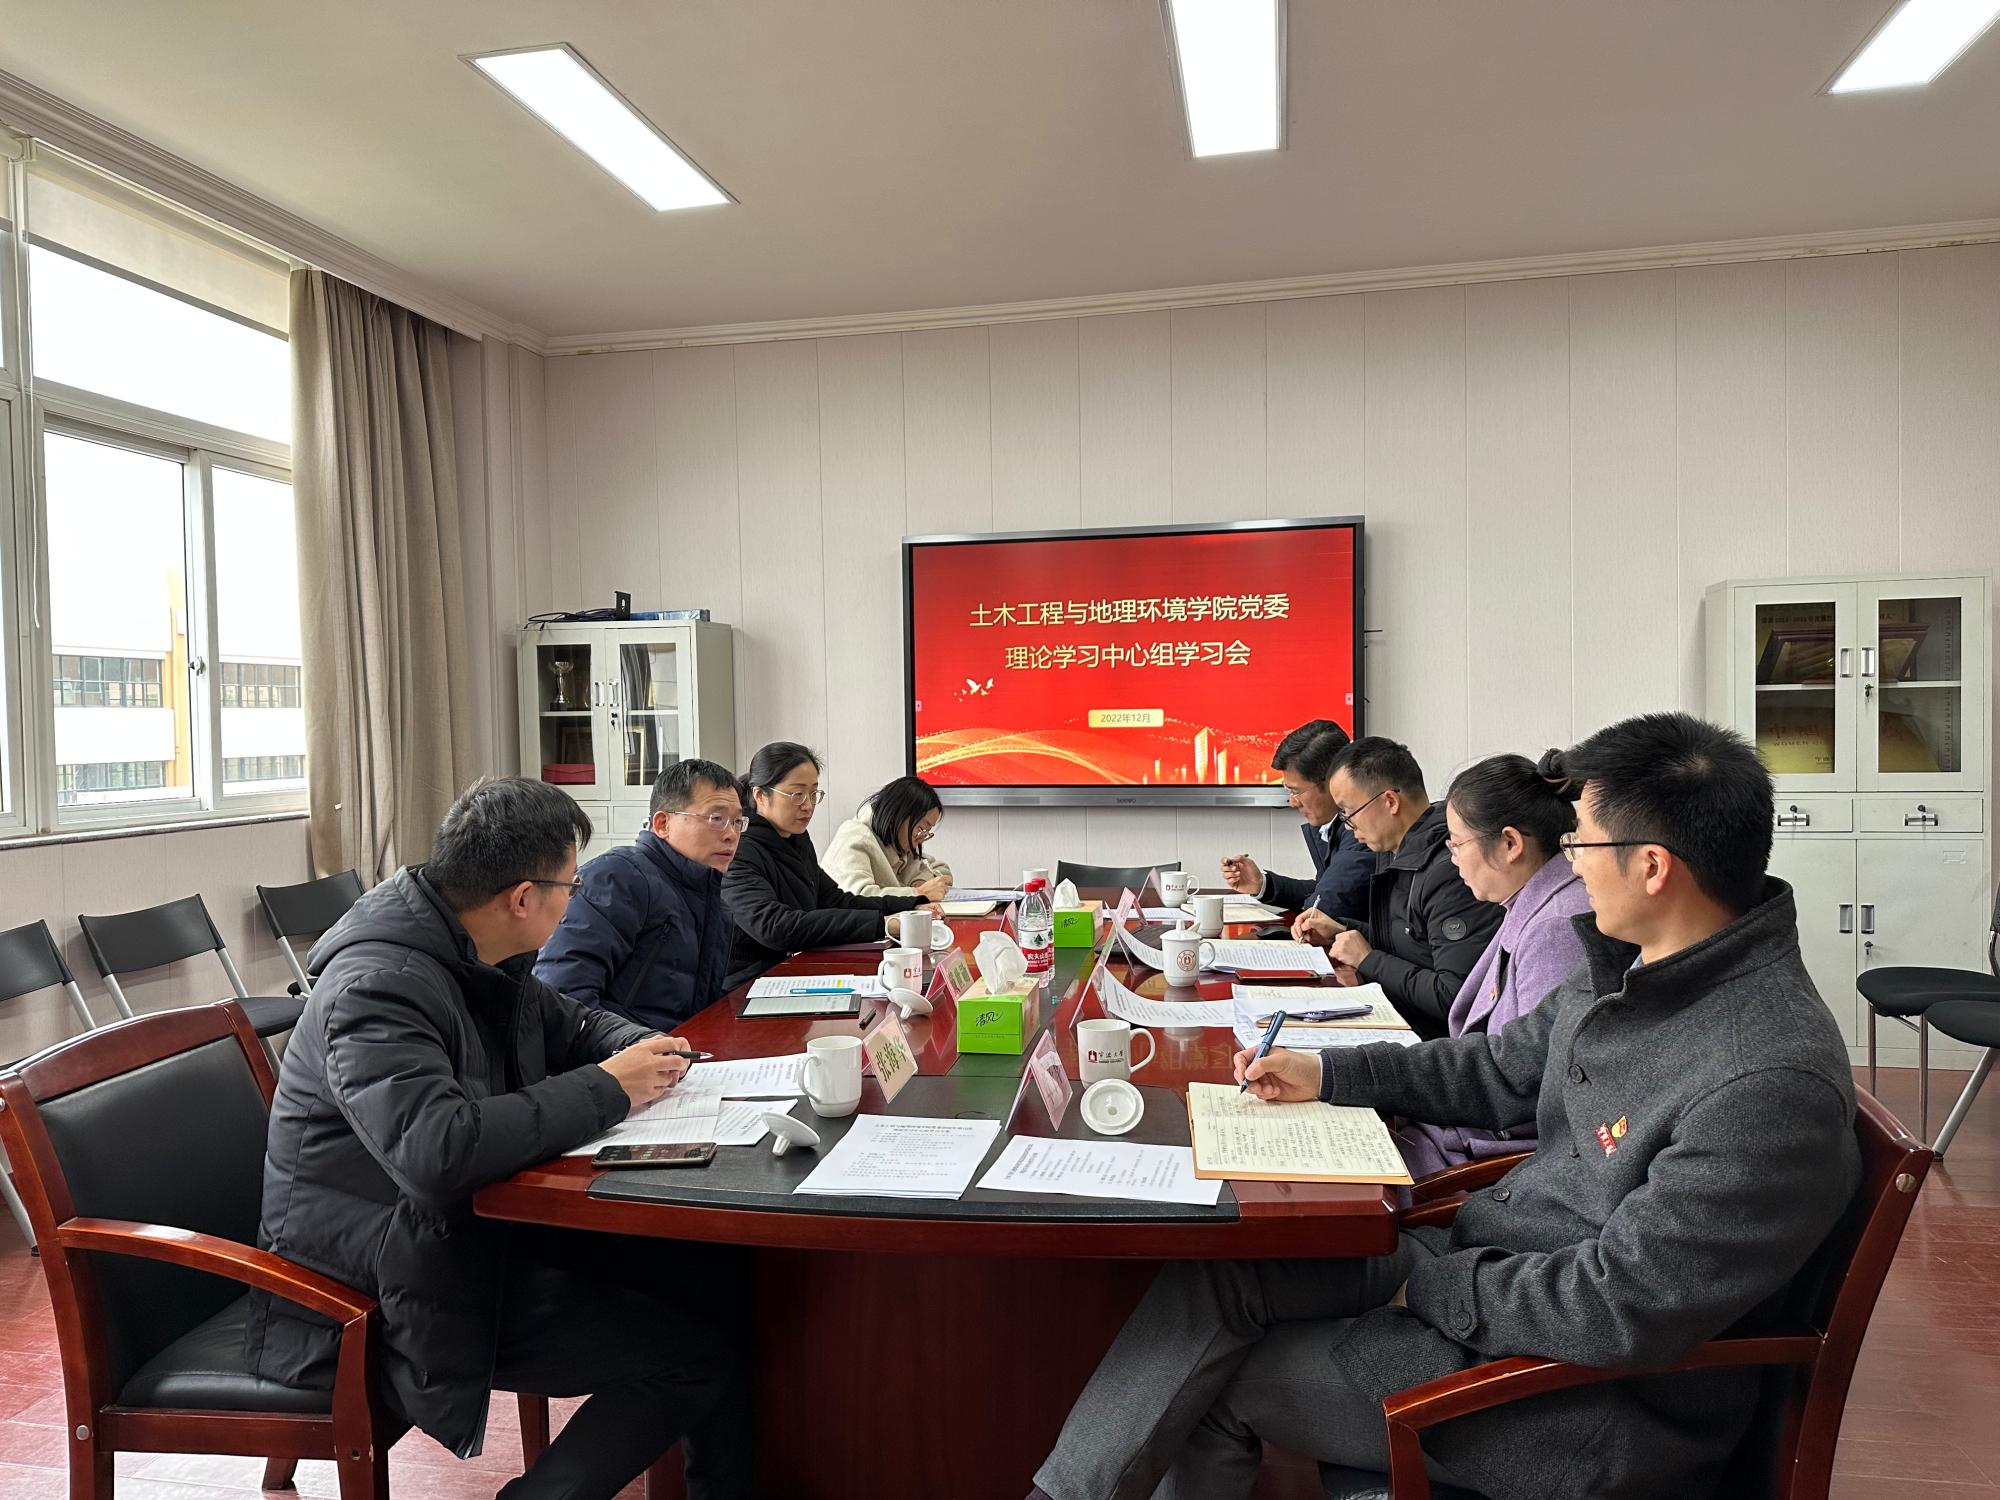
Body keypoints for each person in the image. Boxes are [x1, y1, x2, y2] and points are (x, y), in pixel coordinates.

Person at [1023, 712, 1861, 1500]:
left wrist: (1434, 1293)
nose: (1569, 863)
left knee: (1214, 1379)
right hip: (1493, 1267)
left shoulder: (1764, 1080)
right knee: (1222, 1274)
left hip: (1577, 1403)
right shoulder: (1635, 965)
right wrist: (1328, 1073)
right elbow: (1497, 1068)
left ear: (1652, 866)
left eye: (1581, 841)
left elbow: (1618, 1306)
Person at [248, 777, 752, 1500]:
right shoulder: (378, 985)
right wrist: (610, 1087)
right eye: (571, 887)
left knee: (709, 1272)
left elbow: (573, 1022)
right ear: (522, 897)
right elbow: (437, 1151)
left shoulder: (469, 948)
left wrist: (645, 1049)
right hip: (377, 1288)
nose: (575, 901)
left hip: (457, 1240)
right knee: (694, 1355)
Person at [1396, 752, 1591, 1177]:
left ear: (1509, 844)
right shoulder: (1534, 901)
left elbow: (1529, 1085)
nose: (1453, 859)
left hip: (1484, 1159)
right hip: (1457, 1129)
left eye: (1456, 843)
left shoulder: (1557, 927)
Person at [1290, 736, 1503, 1039]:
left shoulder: (1450, 870)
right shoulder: (1394, 850)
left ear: (1390, 801)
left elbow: (1456, 998)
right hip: (1399, 1021)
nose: (1347, 826)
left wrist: (1368, 960)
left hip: (1433, 1044)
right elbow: (1410, 944)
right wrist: (1342, 929)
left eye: (1349, 813)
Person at [534, 758, 746, 1032]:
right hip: (623, 1052)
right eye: (716, 819)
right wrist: (640, 1046)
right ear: (663, 823)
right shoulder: (617, 877)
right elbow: (563, 998)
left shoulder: (709, 892)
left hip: (679, 1048)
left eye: (737, 821)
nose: (731, 834)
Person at [723, 742, 932, 990]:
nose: (808, 805)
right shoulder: (739, 849)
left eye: (814, 793)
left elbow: (834, 899)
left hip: (797, 969)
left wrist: (911, 905)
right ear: (760, 795)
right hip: (751, 986)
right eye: (797, 794)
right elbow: (775, 926)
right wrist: (883, 924)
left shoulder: (796, 838)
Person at [1219, 718, 1373, 921]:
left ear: (1332, 783)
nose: (1293, 802)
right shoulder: (1336, 825)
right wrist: (1262, 884)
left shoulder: (1365, 830)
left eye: (1296, 791)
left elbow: (1324, 905)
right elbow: (1323, 888)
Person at [821, 774, 955, 899]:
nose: (921, 839)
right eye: (921, 829)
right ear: (896, 817)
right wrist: (917, 893)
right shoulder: (855, 839)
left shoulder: (901, 847)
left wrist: (920, 881)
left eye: (927, 831)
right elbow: (859, 898)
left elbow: (941, 869)